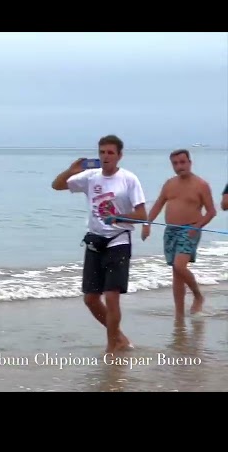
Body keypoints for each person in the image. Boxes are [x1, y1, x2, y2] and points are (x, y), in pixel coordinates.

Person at [51, 135, 147, 354]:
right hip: (95, 241)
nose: (105, 157)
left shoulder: (129, 179)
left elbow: (142, 214)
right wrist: (70, 171)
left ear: (119, 156)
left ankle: (112, 345)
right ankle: (120, 337)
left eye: (110, 153)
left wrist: (120, 217)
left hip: (119, 240)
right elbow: (56, 186)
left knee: (112, 296)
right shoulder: (90, 177)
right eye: (102, 152)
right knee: (91, 299)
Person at [141, 149, 216, 317]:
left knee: (179, 266)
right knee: (176, 273)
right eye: (175, 163)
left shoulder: (201, 185)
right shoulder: (169, 184)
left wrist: (197, 227)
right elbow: (158, 205)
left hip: (190, 229)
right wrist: (147, 224)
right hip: (171, 230)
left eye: (182, 162)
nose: (179, 166)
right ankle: (179, 315)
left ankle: (197, 296)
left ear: (190, 163)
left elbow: (211, 212)